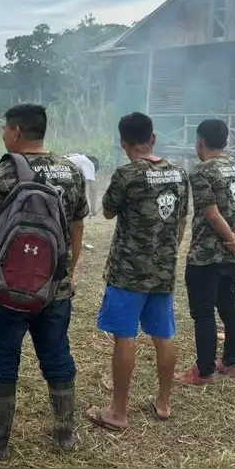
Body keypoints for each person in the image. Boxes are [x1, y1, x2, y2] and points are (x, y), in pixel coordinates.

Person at [0, 104, 87, 460]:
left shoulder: (6, 170)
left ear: (17, 131)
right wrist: (63, 275)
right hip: (55, 289)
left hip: (8, 287)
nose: (4, 134)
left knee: (3, 361)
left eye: (5, 128)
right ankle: (65, 435)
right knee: (57, 355)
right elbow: (77, 230)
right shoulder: (70, 170)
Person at [84, 112, 188, 427]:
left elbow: (107, 212)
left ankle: (117, 412)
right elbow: (181, 220)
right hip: (163, 270)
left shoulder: (126, 175)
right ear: (153, 138)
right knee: (163, 335)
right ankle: (164, 402)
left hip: (128, 271)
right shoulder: (180, 174)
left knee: (125, 337)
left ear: (124, 143)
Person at [178, 119, 235, 385]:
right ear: (226, 141)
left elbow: (212, 215)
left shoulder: (202, 171)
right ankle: (232, 362)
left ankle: (204, 371)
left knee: (203, 312)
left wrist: (232, 241)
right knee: (228, 304)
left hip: (205, 254)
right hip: (229, 255)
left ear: (200, 141)